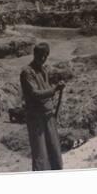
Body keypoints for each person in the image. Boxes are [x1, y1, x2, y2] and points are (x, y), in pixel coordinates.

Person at [20, 43, 65, 171]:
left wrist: (55, 89)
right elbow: (35, 93)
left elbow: (46, 89)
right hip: (36, 118)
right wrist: (55, 89)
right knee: (41, 154)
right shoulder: (27, 72)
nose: (43, 58)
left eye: (45, 55)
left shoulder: (44, 70)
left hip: (48, 116)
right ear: (34, 54)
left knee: (54, 150)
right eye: (40, 55)